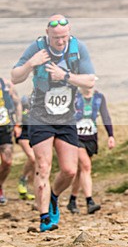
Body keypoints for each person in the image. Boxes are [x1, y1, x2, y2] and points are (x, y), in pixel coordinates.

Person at [11, 15, 96, 232]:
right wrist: (31, 63)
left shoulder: (78, 49)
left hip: (66, 118)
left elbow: (90, 80)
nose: (60, 41)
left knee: (69, 170)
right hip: (40, 117)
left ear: (69, 33)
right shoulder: (37, 48)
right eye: (56, 37)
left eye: (64, 36)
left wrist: (65, 76)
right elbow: (15, 76)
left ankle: (54, 197)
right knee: (43, 166)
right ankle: (44, 218)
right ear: (47, 33)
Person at [67, 86, 115, 215]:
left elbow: (105, 116)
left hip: (91, 138)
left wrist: (111, 135)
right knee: (86, 166)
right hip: (75, 137)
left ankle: (72, 200)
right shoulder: (74, 96)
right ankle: (90, 201)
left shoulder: (99, 98)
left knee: (80, 171)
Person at [0, 77, 22, 204]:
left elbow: (17, 102)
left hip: (4, 127)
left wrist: (18, 124)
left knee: (7, 162)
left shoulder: (5, 84)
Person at [14, 95, 36, 200]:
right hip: (24, 134)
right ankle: (23, 180)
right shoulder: (23, 102)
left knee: (36, 161)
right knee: (33, 158)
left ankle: (29, 185)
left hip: (35, 135)